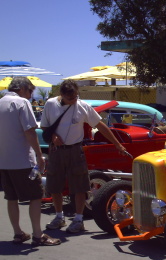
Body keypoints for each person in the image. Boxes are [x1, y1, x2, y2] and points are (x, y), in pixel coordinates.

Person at [40, 79, 127, 233]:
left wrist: (117, 144)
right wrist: (53, 136)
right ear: (61, 95)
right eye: (70, 99)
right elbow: (44, 126)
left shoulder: (82, 106)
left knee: (80, 185)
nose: (74, 101)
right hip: (56, 151)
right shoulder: (50, 104)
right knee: (54, 184)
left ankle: (78, 219)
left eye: (75, 97)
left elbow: (100, 125)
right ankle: (59, 217)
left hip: (75, 150)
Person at [0, 77, 61, 246]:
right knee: (35, 196)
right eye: (30, 91)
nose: (30, 96)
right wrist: (39, 155)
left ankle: (18, 233)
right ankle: (38, 234)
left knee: (11, 198)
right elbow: (30, 132)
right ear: (23, 89)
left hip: (4, 161)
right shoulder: (21, 103)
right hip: (22, 161)